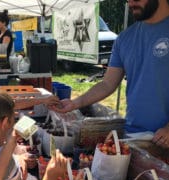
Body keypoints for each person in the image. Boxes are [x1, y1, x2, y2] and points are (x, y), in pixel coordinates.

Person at [52, 0, 169, 148]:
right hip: (133, 135)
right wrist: (75, 103)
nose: (131, 2)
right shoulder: (125, 38)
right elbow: (107, 84)